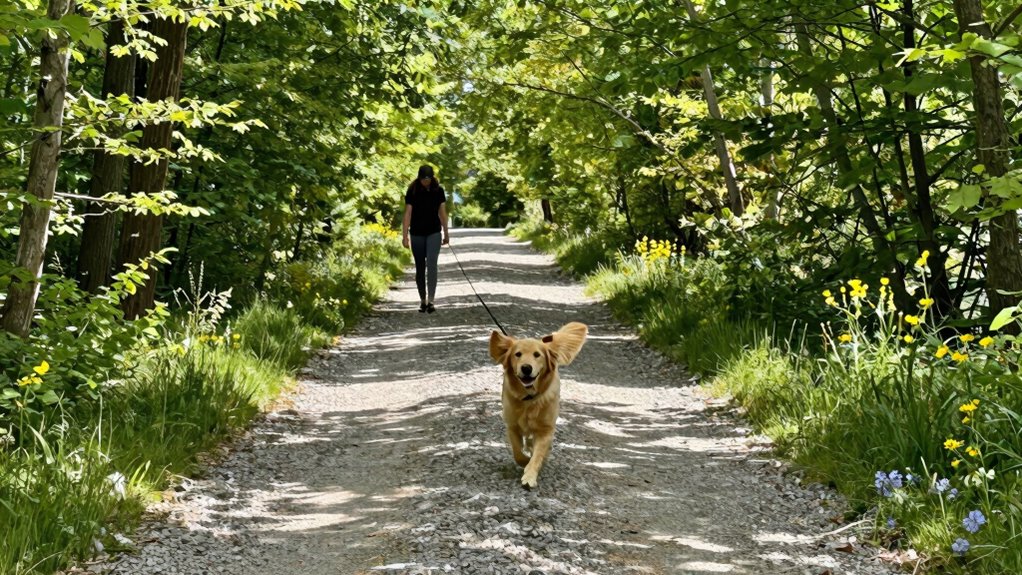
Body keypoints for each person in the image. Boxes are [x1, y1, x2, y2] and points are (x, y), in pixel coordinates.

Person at [402, 165, 449, 313]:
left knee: (432, 264)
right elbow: (408, 213)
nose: (425, 182)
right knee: (420, 267)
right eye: (423, 179)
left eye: (428, 179)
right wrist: (404, 236)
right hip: (416, 233)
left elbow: (442, 213)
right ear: (419, 178)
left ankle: (431, 300)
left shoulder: (438, 191)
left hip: (434, 232)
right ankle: (422, 299)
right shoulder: (412, 190)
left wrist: (446, 233)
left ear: (432, 178)